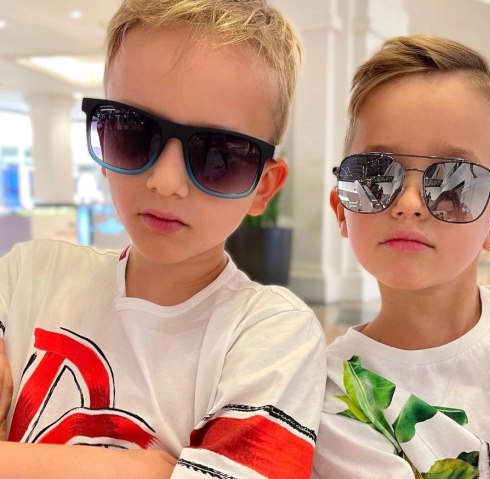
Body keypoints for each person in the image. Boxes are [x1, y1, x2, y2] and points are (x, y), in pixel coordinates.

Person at [0, 1, 326, 478]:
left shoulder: (272, 334)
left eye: (219, 155)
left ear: (263, 187)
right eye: (132, 134)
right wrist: (141, 471)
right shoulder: (28, 274)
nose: (166, 182)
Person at [313, 35, 490, 478]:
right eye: (375, 176)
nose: (409, 203)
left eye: (456, 182)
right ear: (342, 210)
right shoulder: (337, 396)